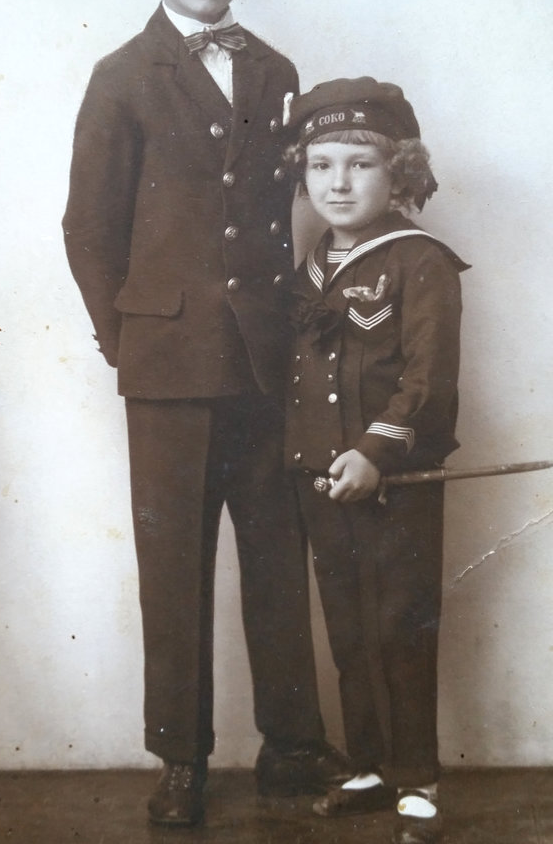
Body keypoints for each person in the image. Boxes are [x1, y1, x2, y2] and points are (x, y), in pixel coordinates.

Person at [62, 0, 351, 829]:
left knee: (277, 553)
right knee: (173, 569)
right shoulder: (120, 78)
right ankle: (180, 757)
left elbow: (288, 210)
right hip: (169, 372)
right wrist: (128, 341)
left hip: (266, 368)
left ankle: (290, 747)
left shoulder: (272, 70)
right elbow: (88, 228)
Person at [283, 77, 470, 844]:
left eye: (359, 164)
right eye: (321, 164)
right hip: (322, 483)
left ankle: (415, 775)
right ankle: (365, 763)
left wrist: (372, 454)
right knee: (348, 624)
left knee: (400, 623)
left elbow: (429, 382)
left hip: (395, 483)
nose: (337, 182)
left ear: (402, 173)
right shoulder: (309, 268)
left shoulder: (420, 262)